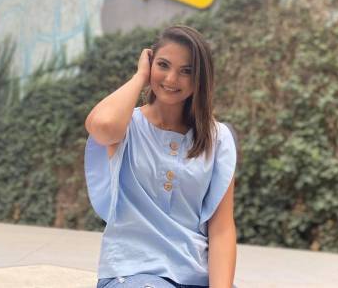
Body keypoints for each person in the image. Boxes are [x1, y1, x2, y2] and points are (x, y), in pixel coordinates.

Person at [84, 25, 238, 288]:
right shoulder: (126, 126)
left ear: (199, 78)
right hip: (132, 272)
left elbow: (221, 229)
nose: (171, 78)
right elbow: (102, 127)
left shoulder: (218, 138)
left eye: (186, 71)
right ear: (150, 64)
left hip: (196, 275)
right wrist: (139, 77)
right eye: (163, 65)